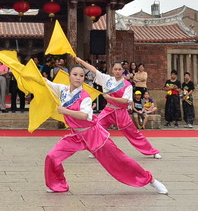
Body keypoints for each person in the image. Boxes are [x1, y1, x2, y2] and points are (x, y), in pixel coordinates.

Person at [43, 64, 168, 195]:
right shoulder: (62, 90)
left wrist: (64, 110)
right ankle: (58, 185)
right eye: (75, 74)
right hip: (75, 136)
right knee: (52, 157)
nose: (78, 78)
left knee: (120, 161)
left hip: (94, 135)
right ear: (69, 76)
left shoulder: (84, 96)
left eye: (81, 75)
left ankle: (152, 180)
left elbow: (84, 116)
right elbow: (45, 82)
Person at [74, 57, 161, 158]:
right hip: (108, 111)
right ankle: (96, 149)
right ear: (112, 70)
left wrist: (110, 97)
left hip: (121, 113)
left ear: (123, 71)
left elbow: (125, 101)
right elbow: (93, 69)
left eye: (119, 69)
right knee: (95, 128)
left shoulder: (127, 85)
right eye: (115, 69)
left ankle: (152, 151)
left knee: (134, 134)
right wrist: (80, 61)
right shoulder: (106, 79)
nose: (117, 71)